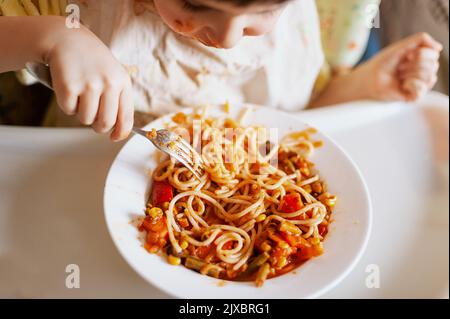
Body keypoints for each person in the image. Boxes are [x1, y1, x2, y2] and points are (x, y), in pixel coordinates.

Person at [0, 0, 443, 141]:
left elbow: (296, 120)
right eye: (194, 4)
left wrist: (368, 83)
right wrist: (52, 35)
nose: (228, 38)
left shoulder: (302, 23)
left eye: (266, 10)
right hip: (79, 169)